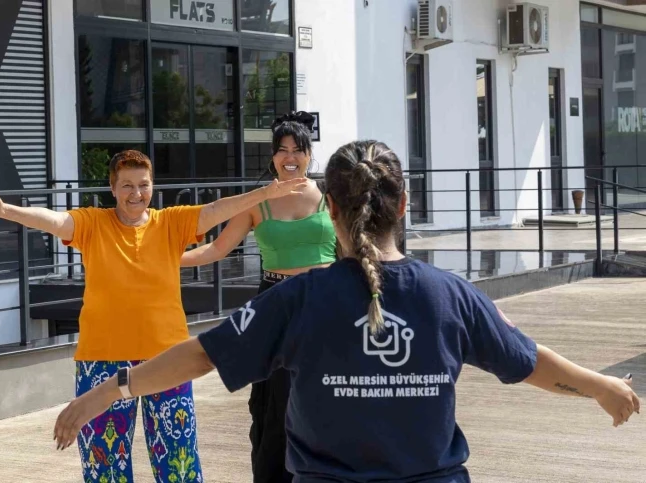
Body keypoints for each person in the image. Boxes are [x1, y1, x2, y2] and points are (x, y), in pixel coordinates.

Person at [53, 141, 640, 483]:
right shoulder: (450, 295)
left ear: (327, 206)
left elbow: (203, 356)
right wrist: (600, 387)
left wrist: (112, 389)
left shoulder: (299, 299)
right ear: (405, 205)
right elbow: (527, 361)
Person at [0, 150, 306, 483]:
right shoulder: (92, 224)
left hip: (168, 360)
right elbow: (53, 220)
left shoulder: (171, 222)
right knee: (104, 466)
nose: (136, 193)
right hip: (101, 359)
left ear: (152, 186)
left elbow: (216, 209)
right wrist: (5, 210)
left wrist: (266, 193)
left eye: (143, 184)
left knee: (179, 464)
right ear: (113, 189)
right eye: (127, 185)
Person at [180, 111, 336, 483]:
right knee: (275, 406)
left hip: (325, 306)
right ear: (272, 156)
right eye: (282, 150)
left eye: (297, 149)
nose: (289, 157)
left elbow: (353, 249)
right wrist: (160, 261)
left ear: (310, 153)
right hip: (275, 306)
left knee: (327, 399)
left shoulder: (332, 197)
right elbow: (216, 249)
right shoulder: (257, 203)